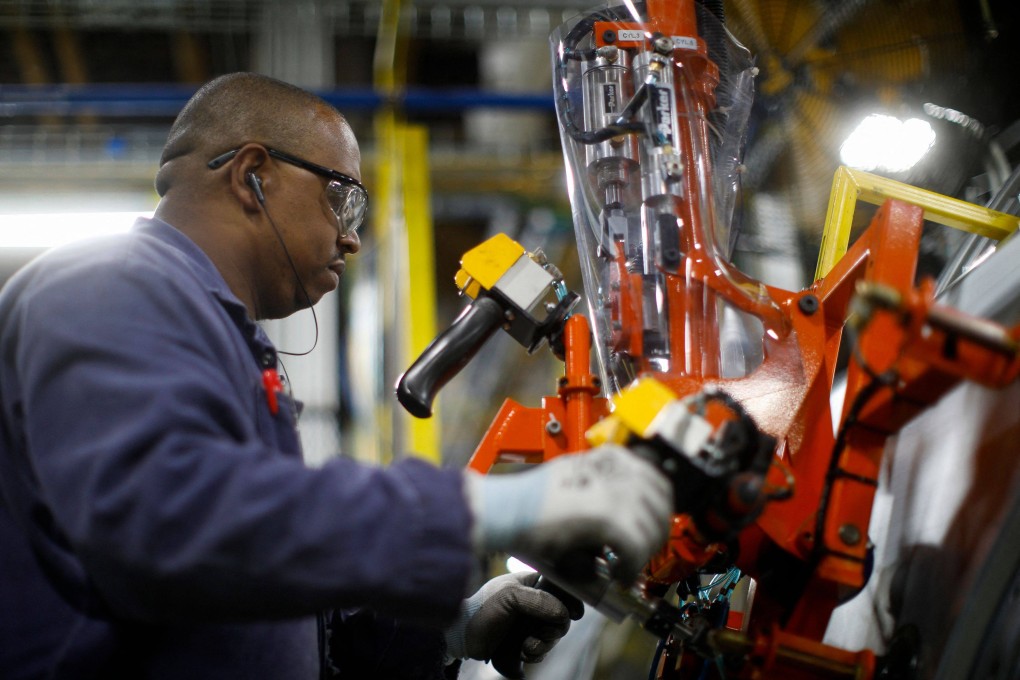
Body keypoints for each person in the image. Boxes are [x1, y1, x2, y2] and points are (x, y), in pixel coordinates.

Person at [0, 72, 674, 679]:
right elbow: (167, 519)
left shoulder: (217, 336)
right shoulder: (108, 287)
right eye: (342, 200)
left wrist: (446, 632)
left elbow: (263, 583)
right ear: (253, 174)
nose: (353, 238)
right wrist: (484, 511)